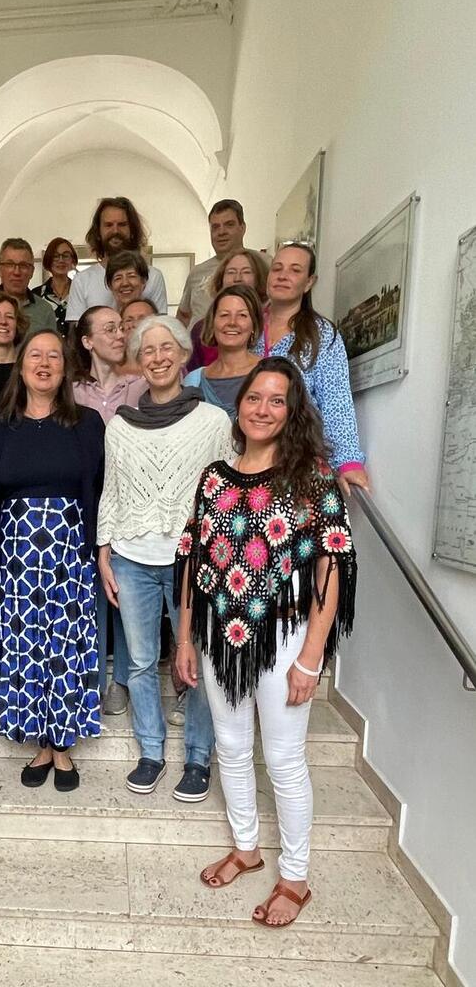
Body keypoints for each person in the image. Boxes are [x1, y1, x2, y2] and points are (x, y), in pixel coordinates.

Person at [175, 357, 357, 928]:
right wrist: (185, 638)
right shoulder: (214, 478)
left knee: (282, 759)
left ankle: (295, 878)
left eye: (277, 400)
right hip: (219, 636)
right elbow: (194, 558)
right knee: (231, 748)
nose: (262, 409)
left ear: (292, 411)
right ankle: (247, 848)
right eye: (255, 397)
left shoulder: (311, 478)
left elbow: (332, 565)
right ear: (240, 406)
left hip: (283, 637)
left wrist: (311, 656)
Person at [96, 316, 234, 799]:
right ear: (139, 360)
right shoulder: (120, 427)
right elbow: (111, 491)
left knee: (197, 661)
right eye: (147, 350)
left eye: (166, 348)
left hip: (191, 563)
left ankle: (197, 758)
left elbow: (226, 494)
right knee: (139, 662)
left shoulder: (213, 421)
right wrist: (104, 549)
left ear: (182, 355)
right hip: (131, 558)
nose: (157, 357)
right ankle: (150, 751)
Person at [0, 330, 104, 791]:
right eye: (34, 354)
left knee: (65, 647)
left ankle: (63, 744)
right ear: (20, 366)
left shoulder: (87, 423)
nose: (44, 363)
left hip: (69, 552)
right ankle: (40, 742)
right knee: (24, 646)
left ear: (65, 368)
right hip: (14, 555)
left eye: (54, 356)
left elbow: (99, 489)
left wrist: (97, 549)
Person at [72, 305, 146, 715]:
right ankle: (95, 678)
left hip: (131, 503)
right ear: (87, 341)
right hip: (86, 501)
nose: (120, 334)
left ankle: (125, 680)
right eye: (109, 329)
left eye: (121, 328)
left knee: (125, 589)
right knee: (92, 592)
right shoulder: (71, 391)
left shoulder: (139, 386)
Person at [259, 242, 370, 492]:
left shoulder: (321, 335)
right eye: (277, 268)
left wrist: (348, 462)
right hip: (247, 455)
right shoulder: (248, 326)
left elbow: (336, 401)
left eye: (295, 270)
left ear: (309, 282)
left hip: (297, 458)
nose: (283, 276)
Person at [66, 197, 167, 325]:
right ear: (98, 232)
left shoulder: (154, 276)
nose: (115, 231)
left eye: (122, 225)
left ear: (132, 230)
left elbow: (160, 326)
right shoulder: (82, 280)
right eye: (108, 225)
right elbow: (75, 332)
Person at [0, 238, 57, 365]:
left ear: (31, 271)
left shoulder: (45, 310)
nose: (16, 272)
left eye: (23, 266)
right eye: (10, 264)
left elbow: (51, 350)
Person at [184, 284, 263, 415]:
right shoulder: (193, 381)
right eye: (224, 315)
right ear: (212, 322)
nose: (232, 322)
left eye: (242, 315)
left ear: (254, 325)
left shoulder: (272, 373)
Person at [177, 199, 257, 327]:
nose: (221, 232)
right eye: (215, 227)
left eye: (229, 225)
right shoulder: (197, 272)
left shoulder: (262, 264)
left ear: (242, 228)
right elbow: (183, 315)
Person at [187, 248, 269, 371]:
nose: (237, 278)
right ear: (221, 279)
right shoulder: (201, 329)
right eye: (231, 272)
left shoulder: (271, 324)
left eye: (246, 272)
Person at [32, 236, 77, 336]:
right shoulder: (36, 295)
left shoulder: (80, 291)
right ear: (48, 260)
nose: (61, 260)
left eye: (66, 256)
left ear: (72, 260)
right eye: (56, 256)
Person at [105, 250, 149, 315]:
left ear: (143, 281)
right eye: (118, 278)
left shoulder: (154, 320)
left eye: (131, 276)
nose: (125, 283)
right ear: (110, 285)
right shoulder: (105, 319)